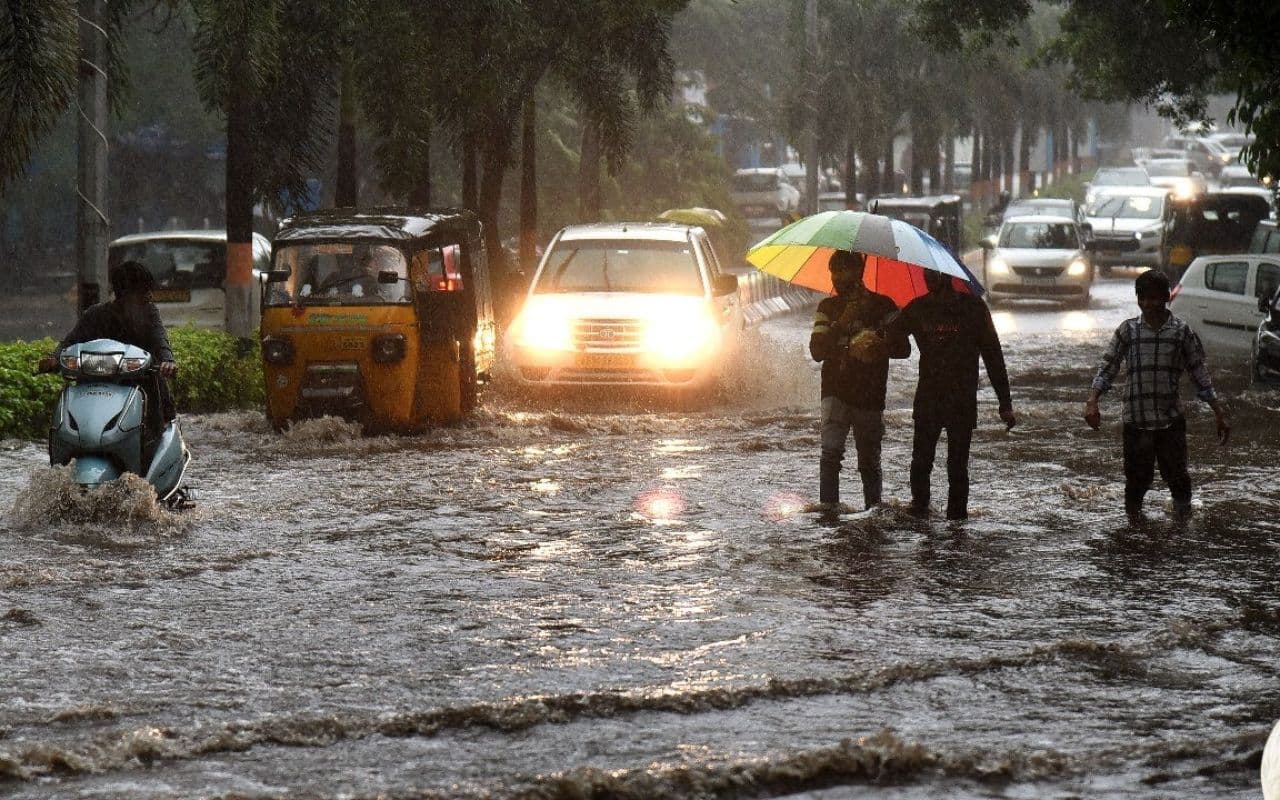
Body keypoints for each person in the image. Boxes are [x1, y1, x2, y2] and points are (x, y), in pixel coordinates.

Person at [1084, 269, 1230, 520]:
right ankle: (1134, 530)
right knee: (1136, 484)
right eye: (1142, 298)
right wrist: (1092, 401)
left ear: (1166, 298)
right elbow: (1108, 367)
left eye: (1153, 298)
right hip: (1136, 421)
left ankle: (1182, 529)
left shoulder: (1181, 332)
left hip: (1170, 421)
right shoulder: (1128, 331)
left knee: (1179, 481)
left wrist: (1218, 412)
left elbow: (1199, 373)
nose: (1147, 304)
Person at [892, 269, 1016, 520]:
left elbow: (993, 355)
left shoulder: (973, 308)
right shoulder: (917, 308)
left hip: (961, 399)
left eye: (932, 274)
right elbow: (893, 339)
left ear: (947, 275)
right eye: (926, 273)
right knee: (921, 462)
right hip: (929, 398)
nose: (927, 277)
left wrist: (1005, 403)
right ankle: (920, 513)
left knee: (957, 466)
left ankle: (957, 521)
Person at [810, 250, 910, 509]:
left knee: (869, 461)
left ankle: (873, 511)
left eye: (842, 271)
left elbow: (903, 348)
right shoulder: (827, 308)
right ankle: (829, 513)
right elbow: (817, 351)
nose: (836, 278)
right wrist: (841, 324)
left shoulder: (883, 306)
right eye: (833, 272)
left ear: (857, 272)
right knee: (830, 455)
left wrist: (877, 343)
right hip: (835, 391)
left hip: (870, 393)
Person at [39, 260, 178, 441]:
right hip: (96, 382)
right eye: (144, 291)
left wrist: (168, 360)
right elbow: (70, 341)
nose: (149, 296)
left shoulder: (149, 313)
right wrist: (54, 359)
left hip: (140, 380)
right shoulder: (95, 314)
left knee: (155, 425)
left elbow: (160, 339)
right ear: (126, 293)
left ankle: (152, 441)